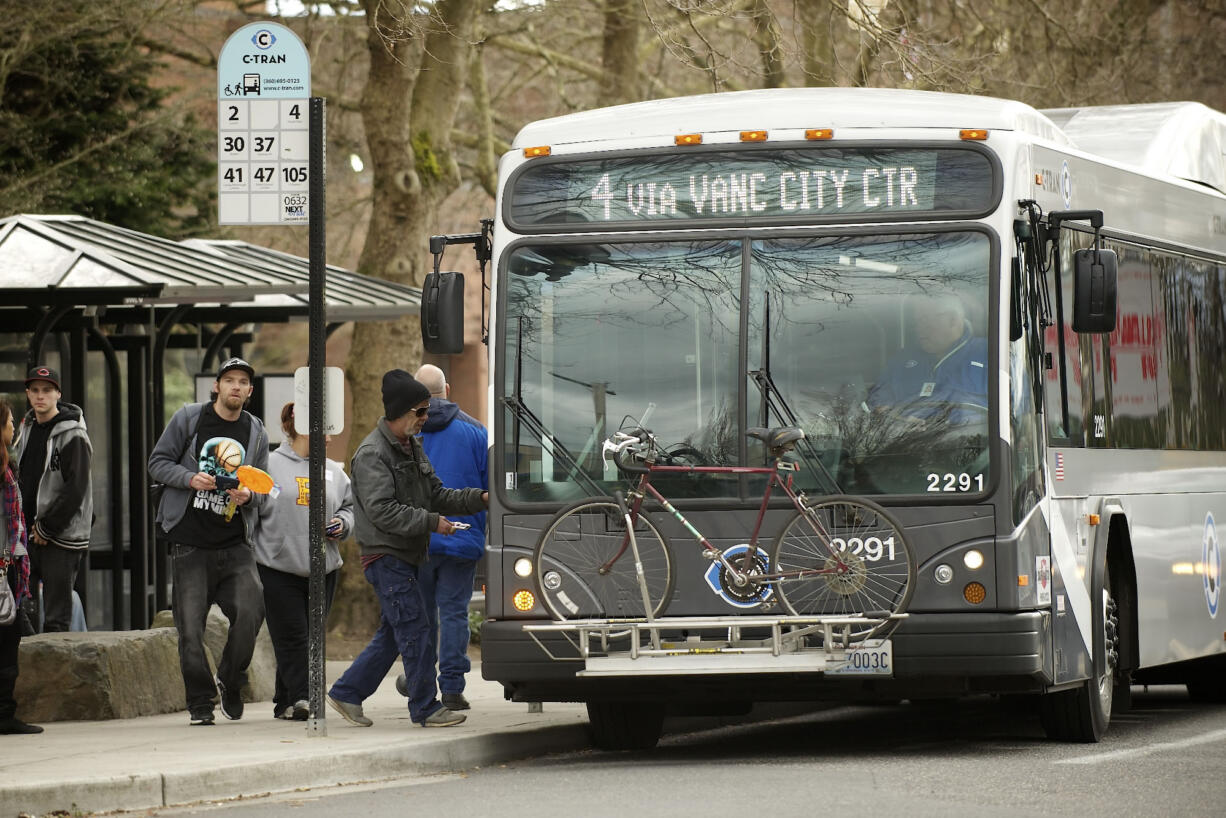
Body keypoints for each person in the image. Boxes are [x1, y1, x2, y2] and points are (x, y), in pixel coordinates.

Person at [327, 370, 487, 729]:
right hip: (385, 556)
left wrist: (480, 498)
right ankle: (425, 707)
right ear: (402, 412)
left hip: (407, 554)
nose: (426, 419)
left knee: (396, 632)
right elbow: (383, 511)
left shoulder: (411, 445)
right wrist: (433, 522)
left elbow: (438, 493)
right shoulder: (372, 453)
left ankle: (347, 692)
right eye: (421, 412)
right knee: (416, 628)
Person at [148, 357, 269, 726]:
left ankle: (231, 677)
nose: (235, 386)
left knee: (251, 613)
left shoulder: (256, 431)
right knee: (190, 630)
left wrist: (250, 497)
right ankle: (201, 702)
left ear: (249, 391)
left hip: (235, 544)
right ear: (216, 386)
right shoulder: (189, 417)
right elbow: (157, 462)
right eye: (228, 380)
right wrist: (188, 478)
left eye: (242, 381)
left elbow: (264, 486)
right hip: (190, 544)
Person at [254, 402, 354, 721]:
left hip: (323, 568)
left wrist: (343, 523)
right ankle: (303, 697)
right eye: (323, 431)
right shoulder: (268, 465)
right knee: (293, 635)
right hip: (277, 567)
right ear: (300, 429)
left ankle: (285, 700)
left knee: (310, 634)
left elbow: (350, 508)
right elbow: (252, 509)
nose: (328, 438)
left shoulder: (334, 471)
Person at [410, 364, 487, 712]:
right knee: (454, 613)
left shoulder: (408, 431)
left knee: (422, 616)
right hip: (463, 537)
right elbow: (489, 488)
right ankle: (453, 688)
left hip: (419, 537)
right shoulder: (476, 432)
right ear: (448, 388)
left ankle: (421, 684)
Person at [15, 365, 93, 633]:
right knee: (23, 612)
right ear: (27, 394)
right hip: (26, 535)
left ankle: (54, 676)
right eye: (35, 390)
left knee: (57, 618)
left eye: (47, 390)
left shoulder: (74, 434)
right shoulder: (26, 428)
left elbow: (77, 488)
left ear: (58, 393)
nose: (40, 396)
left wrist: (48, 527)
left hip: (61, 538)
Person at [867, 294, 988, 422]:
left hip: (969, 438)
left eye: (925, 320)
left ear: (952, 319)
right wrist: (895, 418)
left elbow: (1005, 411)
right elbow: (877, 401)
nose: (919, 328)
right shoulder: (902, 361)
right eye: (917, 321)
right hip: (904, 438)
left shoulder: (989, 355)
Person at [0, 399, 41, 734]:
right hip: (2, 565)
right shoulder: (2, 471)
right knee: (7, 638)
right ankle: (3, 714)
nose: (14, 426)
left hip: (7, 562)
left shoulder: (6, 466)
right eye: (10, 421)